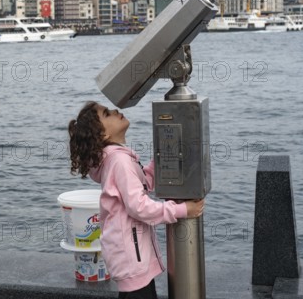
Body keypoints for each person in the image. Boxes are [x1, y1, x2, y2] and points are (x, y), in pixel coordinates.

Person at [68, 101, 204, 299]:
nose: (115, 110)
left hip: (129, 257)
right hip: (131, 259)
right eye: (107, 113)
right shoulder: (119, 162)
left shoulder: (118, 159)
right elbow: (138, 206)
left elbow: (144, 183)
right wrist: (182, 210)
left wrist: (161, 158)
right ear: (103, 135)